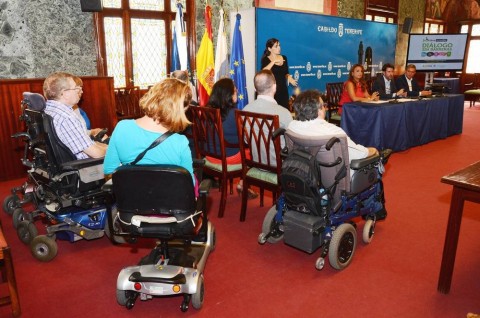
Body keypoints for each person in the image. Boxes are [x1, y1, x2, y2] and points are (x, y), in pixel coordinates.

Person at [288, 89, 378, 167]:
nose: (325, 109)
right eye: (324, 106)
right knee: (374, 155)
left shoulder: (292, 126)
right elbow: (358, 154)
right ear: (319, 110)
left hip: (306, 174)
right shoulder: (334, 132)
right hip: (337, 181)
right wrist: (373, 150)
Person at [207, 78, 257, 198]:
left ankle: (241, 183)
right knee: (253, 153)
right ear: (228, 95)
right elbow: (247, 139)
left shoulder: (206, 110)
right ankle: (242, 184)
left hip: (209, 155)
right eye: (235, 90)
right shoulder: (235, 114)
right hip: (227, 157)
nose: (237, 92)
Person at [43, 72, 107, 159]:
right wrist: (110, 148)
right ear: (65, 93)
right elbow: (96, 154)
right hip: (85, 166)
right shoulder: (66, 117)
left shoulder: (47, 109)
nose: (80, 91)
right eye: (76, 88)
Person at [243, 69, 293, 165]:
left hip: (255, 163)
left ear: (255, 88)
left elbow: (246, 140)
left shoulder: (245, 110)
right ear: (274, 87)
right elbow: (292, 145)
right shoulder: (283, 113)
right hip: (280, 166)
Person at [261, 38, 297, 109]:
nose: (279, 48)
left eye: (279, 45)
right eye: (276, 46)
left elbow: (286, 73)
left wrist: (289, 78)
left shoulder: (284, 58)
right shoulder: (265, 59)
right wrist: (274, 61)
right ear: (269, 49)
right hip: (272, 91)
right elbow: (264, 71)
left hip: (283, 90)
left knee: (284, 111)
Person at [71, 76, 109, 140]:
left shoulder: (75, 106)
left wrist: (94, 131)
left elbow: (83, 130)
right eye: (79, 89)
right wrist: (93, 132)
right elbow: (78, 135)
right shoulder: (68, 111)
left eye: (82, 88)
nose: (82, 92)